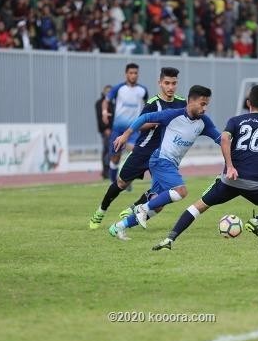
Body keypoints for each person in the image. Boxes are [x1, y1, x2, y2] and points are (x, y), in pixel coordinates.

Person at [152, 84, 258, 250]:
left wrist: (230, 166)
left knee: (199, 206)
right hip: (256, 183)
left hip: (229, 179)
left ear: (248, 103)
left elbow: (224, 139)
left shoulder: (235, 120)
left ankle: (169, 239)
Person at [108, 85, 221, 240]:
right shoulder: (172, 115)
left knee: (158, 206)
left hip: (169, 164)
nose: (205, 108)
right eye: (202, 104)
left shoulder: (204, 122)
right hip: (160, 160)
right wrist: (126, 135)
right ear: (191, 101)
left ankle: (118, 227)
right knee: (181, 192)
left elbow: (220, 139)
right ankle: (142, 207)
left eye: (207, 104)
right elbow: (145, 118)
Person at [88, 67, 186, 229]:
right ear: (160, 83)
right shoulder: (153, 103)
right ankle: (101, 210)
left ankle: (133, 209)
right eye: (167, 83)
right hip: (144, 150)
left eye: (174, 83)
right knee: (121, 183)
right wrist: (157, 121)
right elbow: (140, 124)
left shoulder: (182, 102)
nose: (170, 87)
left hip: (164, 154)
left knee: (163, 193)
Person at [102, 63, 148, 183]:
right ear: (126, 74)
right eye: (131, 73)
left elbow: (148, 106)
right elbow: (105, 101)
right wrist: (104, 112)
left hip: (134, 129)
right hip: (118, 129)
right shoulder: (118, 88)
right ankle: (113, 182)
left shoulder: (142, 90)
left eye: (135, 73)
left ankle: (125, 178)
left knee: (135, 152)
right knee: (115, 158)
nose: (133, 75)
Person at [95, 85, 113, 180]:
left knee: (111, 150)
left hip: (113, 130)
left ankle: (109, 170)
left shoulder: (112, 103)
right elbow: (100, 117)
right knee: (107, 151)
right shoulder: (100, 103)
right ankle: (106, 171)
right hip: (106, 131)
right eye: (107, 91)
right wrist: (105, 128)